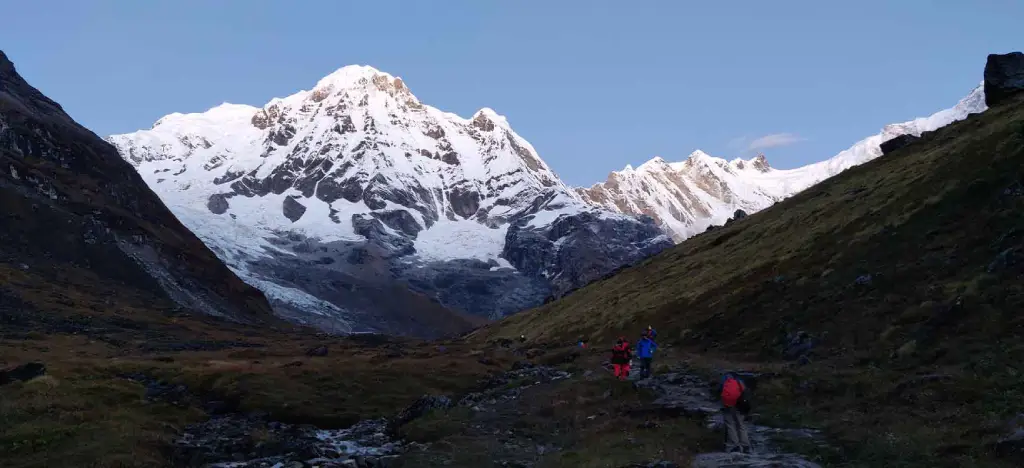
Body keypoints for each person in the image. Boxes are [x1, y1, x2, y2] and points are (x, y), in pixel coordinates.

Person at [714, 372, 753, 453]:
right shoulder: (739, 380)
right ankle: (745, 445)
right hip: (739, 404)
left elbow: (718, 391)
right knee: (741, 424)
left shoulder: (724, 380)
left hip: (727, 405)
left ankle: (734, 445)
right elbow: (745, 392)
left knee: (730, 424)